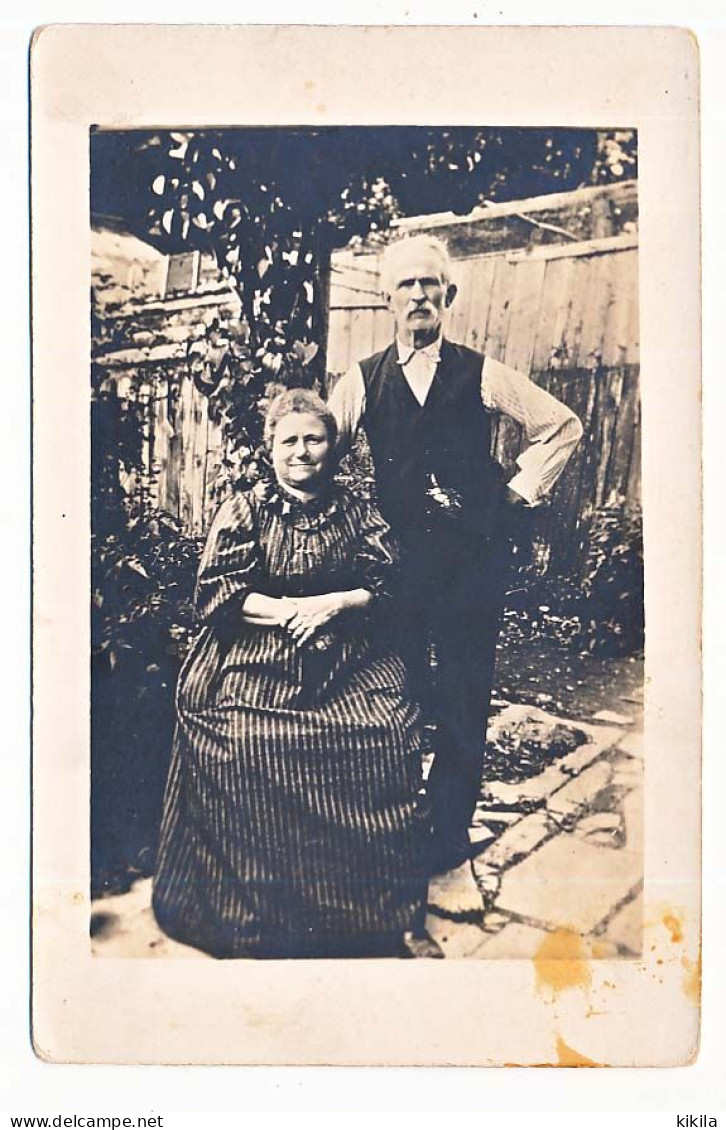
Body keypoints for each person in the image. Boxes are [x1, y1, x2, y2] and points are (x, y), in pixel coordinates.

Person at [329, 234, 583, 873]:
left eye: (428, 284)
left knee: (466, 694)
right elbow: (321, 457)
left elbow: (562, 426)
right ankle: (396, 819)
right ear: (386, 300)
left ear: (449, 295)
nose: (418, 295)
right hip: (399, 571)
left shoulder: (481, 373)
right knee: (402, 692)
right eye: (405, 285)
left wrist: (516, 493)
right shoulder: (361, 382)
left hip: (473, 565)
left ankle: (446, 836)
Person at [152, 387, 435, 959]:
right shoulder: (246, 508)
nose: (303, 452)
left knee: (381, 732)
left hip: (350, 652)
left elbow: (385, 581)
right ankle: (263, 912)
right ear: (269, 449)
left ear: (333, 446)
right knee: (244, 736)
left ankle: (374, 912)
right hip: (255, 651)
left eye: (315, 439)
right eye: (290, 441)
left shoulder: (357, 507)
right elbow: (218, 594)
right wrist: (289, 612)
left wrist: (332, 605)